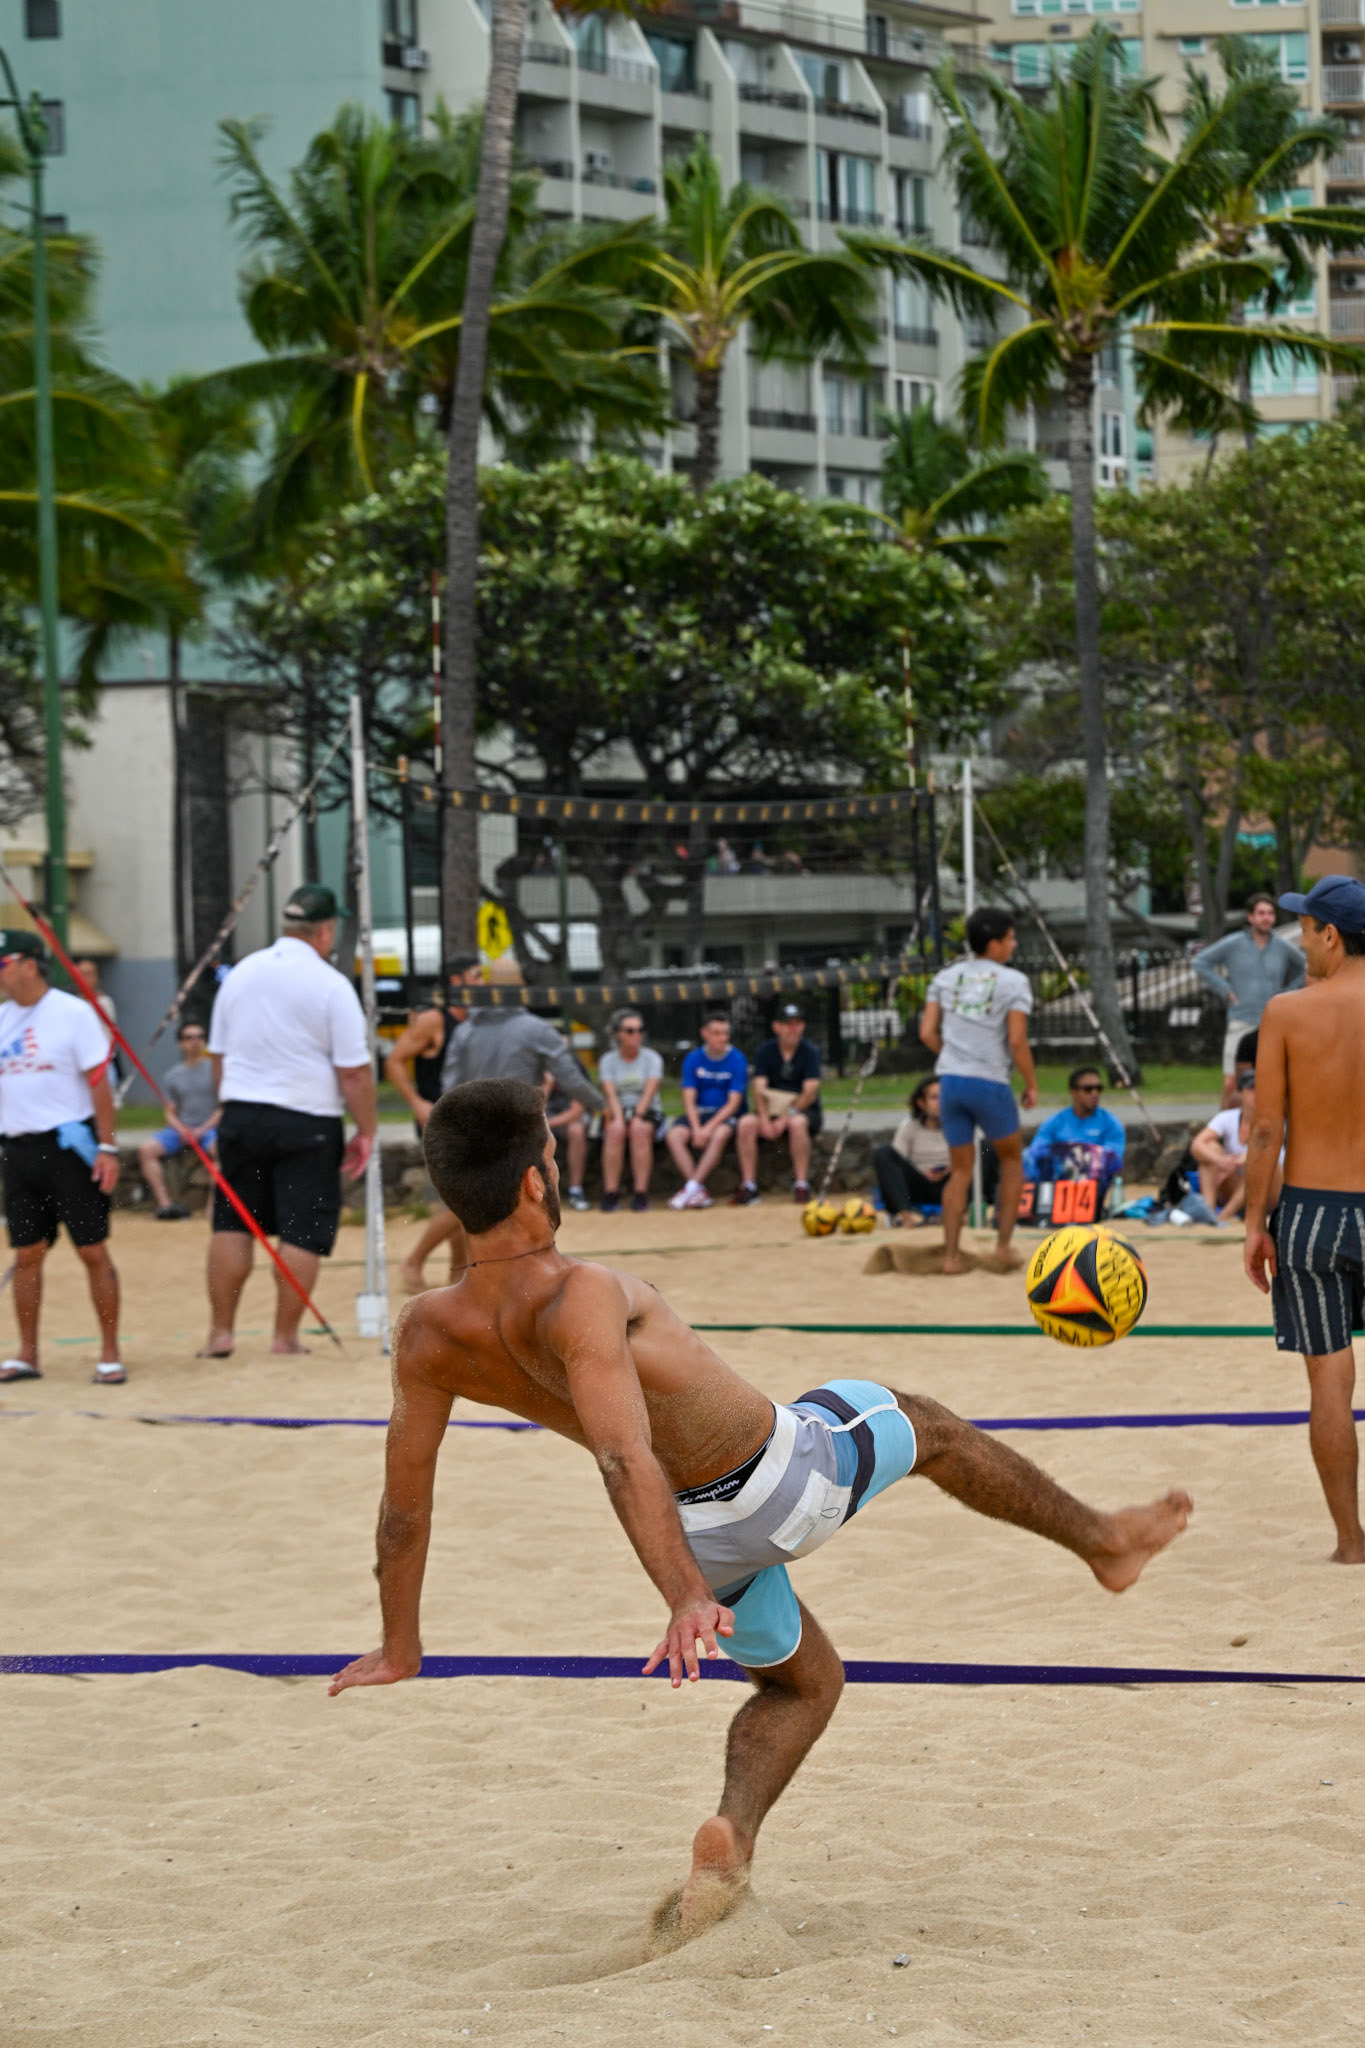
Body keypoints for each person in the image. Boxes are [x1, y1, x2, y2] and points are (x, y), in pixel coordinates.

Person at [329, 1078, 1193, 1945]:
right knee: (928, 1425)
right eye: (552, 1156)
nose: (557, 1170)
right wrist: (679, 1598)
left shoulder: (427, 1331)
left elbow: (402, 1511)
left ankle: (731, 1838)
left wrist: (400, 1643)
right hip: (777, 1483)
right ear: (530, 1184)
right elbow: (621, 1453)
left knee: (802, 1684)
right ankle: (1105, 1542)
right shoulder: (579, 1292)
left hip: (697, 1542)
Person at [200, 884, 377, 1358]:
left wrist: (228, 1103)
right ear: (323, 931)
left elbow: (218, 1056)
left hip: (242, 1111)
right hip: (307, 1117)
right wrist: (367, 1130)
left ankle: (221, 1332)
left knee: (232, 1222)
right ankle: (284, 1337)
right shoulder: (331, 984)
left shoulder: (239, 975)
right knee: (301, 1230)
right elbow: (355, 1074)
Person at [1244, 875, 1365, 1564]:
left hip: (1314, 1211)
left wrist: (1254, 1223)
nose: (1298, 939)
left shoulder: (1286, 1012)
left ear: (1330, 934)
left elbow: (1265, 1132)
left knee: (1329, 1381)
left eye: (1304, 926)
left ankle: (1350, 1544)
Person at [0, 929, 125, 1384]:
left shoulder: (72, 1014)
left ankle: (110, 1352)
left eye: (2, 963)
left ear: (28, 964)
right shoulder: (1, 1019)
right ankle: (27, 1353)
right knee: (26, 1252)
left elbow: (99, 1083)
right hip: (18, 1147)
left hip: (68, 1146)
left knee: (91, 1249)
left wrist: (108, 1147)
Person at [918, 907, 1037, 1275]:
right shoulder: (1013, 982)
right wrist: (1031, 1082)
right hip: (989, 1081)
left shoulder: (946, 977)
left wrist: (954, 1057)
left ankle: (951, 1256)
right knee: (1012, 1161)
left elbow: (926, 1033)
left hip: (951, 1081)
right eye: (1010, 938)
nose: (1014, 945)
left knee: (960, 1170)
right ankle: (1002, 1247)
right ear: (994, 943)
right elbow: (1017, 1040)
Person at [385, 955, 479, 1294]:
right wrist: (415, 1102)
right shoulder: (432, 1020)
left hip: (469, 1121)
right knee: (464, 1200)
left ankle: (458, 1273)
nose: (482, 983)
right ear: (456, 981)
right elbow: (394, 1061)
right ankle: (415, 1259)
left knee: (460, 1202)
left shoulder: (478, 1018)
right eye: (476, 975)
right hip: (438, 1120)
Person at [1194, 893, 1305, 1110]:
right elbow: (1200, 962)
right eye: (1261, 913)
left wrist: (1287, 994)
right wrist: (1225, 990)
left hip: (1272, 1023)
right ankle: (1223, 1133)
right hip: (1241, 1019)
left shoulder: (1282, 947)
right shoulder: (1234, 943)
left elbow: (1305, 969)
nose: (1266, 918)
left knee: (1276, 1082)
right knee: (1232, 1083)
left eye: (1270, 913)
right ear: (1250, 917)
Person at [735, 1005, 822, 1206]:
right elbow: (759, 1089)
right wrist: (764, 1119)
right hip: (771, 1110)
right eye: (788, 1024)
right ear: (777, 1027)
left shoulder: (810, 1052)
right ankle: (749, 1185)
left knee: (797, 1124)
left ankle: (801, 1184)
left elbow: (810, 1092)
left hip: (800, 1111)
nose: (793, 1029)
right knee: (746, 1123)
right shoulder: (765, 1051)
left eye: (797, 1024)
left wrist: (786, 1117)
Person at [137, 1018, 220, 1220]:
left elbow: (223, 1108)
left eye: (200, 1037)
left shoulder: (215, 1070)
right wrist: (181, 1128)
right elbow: (169, 1110)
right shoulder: (173, 1075)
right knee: (146, 1149)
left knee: (221, 1151)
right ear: (180, 1043)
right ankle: (165, 1205)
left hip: (209, 1128)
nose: (195, 1041)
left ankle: (213, 1207)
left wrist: (202, 1129)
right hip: (182, 1128)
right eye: (189, 1037)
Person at [666, 1013, 748, 1210]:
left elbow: (734, 1103)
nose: (722, 1038)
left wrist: (709, 1128)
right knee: (674, 1136)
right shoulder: (693, 1059)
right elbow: (689, 1097)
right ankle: (698, 1190)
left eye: (725, 1033)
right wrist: (696, 1127)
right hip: (699, 1114)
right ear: (705, 1034)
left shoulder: (737, 1059)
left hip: (724, 1115)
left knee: (719, 1135)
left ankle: (691, 1188)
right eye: (716, 1033)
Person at [1022, 1065, 1127, 1216]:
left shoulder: (1111, 1124)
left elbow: (1113, 1157)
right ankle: (1029, 1206)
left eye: (1098, 1088)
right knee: (1026, 1156)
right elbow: (1036, 1149)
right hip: (1056, 1179)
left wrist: (1081, 1155)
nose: (1095, 1093)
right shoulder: (1055, 1122)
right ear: (1073, 1092)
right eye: (1088, 1089)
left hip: (1090, 1184)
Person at [597, 1007, 664, 1212]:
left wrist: (638, 1116)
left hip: (646, 1108)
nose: (636, 1035)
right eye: (630, 1030)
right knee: (615, 1131)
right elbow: (610, 1095)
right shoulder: (608, 1060)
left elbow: (649, 1093)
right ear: (618, 1033)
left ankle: (640, 1193)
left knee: (639, 1130)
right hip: (619, 1107)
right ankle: (611, 1193)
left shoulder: (652, 1058)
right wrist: (617, 1118)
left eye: (639, 1030)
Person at [873, 1077, 952, 1228]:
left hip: (952, 1183)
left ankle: (964, 1214)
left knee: (984, 1149)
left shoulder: (959, 1126)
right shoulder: (910, 1127)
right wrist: (922, 1173)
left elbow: (975, 1156)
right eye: (934, 1098)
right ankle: (906, 1217)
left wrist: (954, 1167)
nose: (941, 1102)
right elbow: (896, 1161)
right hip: (919, 1183)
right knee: (883, 1153)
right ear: (921, 1103)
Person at [1191, 1073, 1257, 1223]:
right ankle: (1209, 1211)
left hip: (1267, 1190)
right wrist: (1222, 1161)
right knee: (1209, 1148)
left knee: (1259, 1165)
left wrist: (1246, 1158)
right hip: (1237, 1186)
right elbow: (1197, 1145)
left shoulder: (1276, 1121)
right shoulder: (1228, 1117)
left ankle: (1223, 1216)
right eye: (1252, 1088)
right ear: (1240, 1092)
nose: (1257, 1093)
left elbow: (1270, 1155)